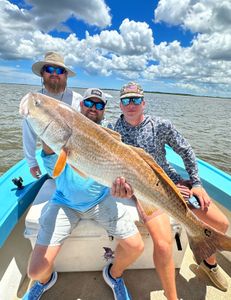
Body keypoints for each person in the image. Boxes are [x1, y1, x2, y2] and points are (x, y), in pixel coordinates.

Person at [22, 88, 144, 300]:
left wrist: (124, 190)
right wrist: (48, 137)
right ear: (80, 105)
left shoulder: (110, 138)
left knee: (136, 246)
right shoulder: (64, 130)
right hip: (65, 203)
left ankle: (114, 275)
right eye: (89, 103)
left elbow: (121, 170)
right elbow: (53, 171)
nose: (93, 108)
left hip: (101, 201)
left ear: (104, 111)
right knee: (35, 271)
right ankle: (46, 280)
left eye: (99, 105)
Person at [111, 82, 230, 298]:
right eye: (126, 100)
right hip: (145, 191)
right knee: (164, 246)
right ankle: (172, 296)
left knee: (221, 223)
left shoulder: (161, 125)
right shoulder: (113, 133)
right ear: (119, 104)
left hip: (174, 184)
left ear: (143, 102)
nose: (131, 104)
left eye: (135, 99)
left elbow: (186, 151)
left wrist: (196, 183)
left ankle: (208, 264)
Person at [22, 51, 83, 178]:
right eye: (49, 69)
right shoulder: (33, 102)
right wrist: (32, 163)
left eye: (60, 70)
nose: (55, 73)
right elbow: (28, 134)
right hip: (51, 156)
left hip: (78, 155)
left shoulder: (78, 99)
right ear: (42, 73)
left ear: (65, 75)